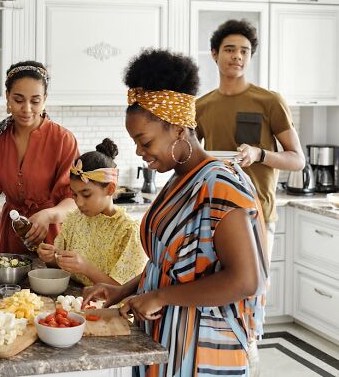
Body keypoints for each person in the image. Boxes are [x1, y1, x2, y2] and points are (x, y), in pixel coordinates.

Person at [84, 49, 268, 376]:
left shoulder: (219, 185)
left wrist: (161, 297)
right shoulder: (179, 180)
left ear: (179, 129)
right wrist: (122, 290)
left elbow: (245, 280)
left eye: (144, 141)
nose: (140, 153)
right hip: (167, 339)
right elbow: (173, 265)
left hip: (203, 349)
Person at [196, 19, 304, 256]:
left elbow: (297, 160)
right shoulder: (201, 106)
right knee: (217, 290)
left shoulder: (270, 102)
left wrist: (259, 154)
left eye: (244, 51)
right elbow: (191, 157)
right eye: (229, 49)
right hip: (215, 212)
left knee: (255, 290)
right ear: (214, 54)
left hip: (257, 212)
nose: (237, 56)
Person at [0, 60, 78, 254]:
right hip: (11, 232)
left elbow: (73, 200)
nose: (27, 108)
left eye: (35, 101)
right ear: (7, 97)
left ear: (45, 99)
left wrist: (48, 215)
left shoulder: (63, 140)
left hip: (52, 235)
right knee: (9, 284)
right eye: (19, 100)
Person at [37, 138, 147, 286]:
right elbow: (61, 268)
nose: (79, 202)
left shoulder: (129, 232)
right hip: (73, 303)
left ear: (110, 189)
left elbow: (124, 291)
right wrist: (51, 259)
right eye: (74, 194)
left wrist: (86, 268)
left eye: (86, 194)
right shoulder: (74, 219)